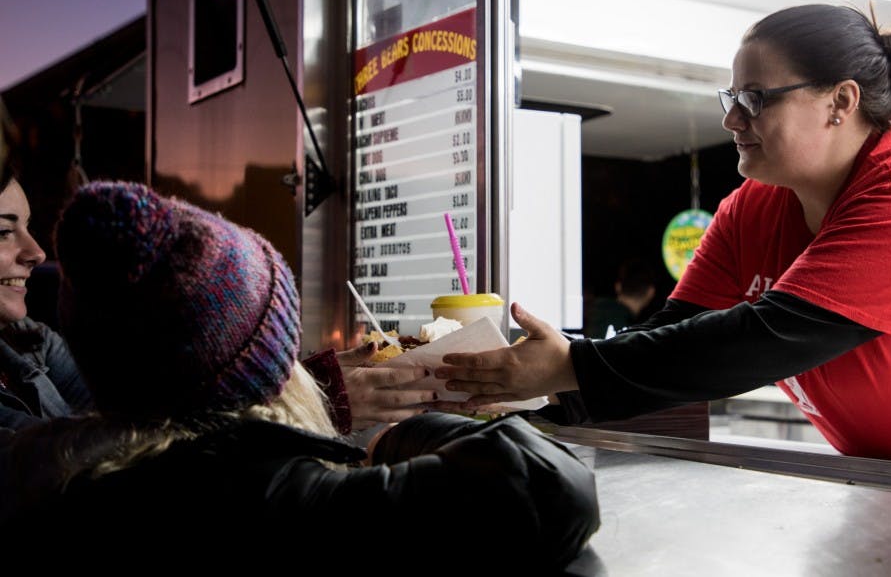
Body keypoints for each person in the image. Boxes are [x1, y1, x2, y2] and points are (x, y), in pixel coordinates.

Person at [437, 3, 891, 470]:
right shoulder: (753, 207)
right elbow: (676, 337)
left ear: (841, 102)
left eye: (755, 100)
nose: (733, 121)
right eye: (732, 100)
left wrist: (574, 366)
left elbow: (774, 336)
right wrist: (520, 402)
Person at [0, 181, 600, 570]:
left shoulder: (64, 472)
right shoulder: (258, 498)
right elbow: (547, 486)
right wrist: (400, 434)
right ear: (262, 369)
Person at [0, 172, 91, 430]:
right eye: (3, 231)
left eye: (27, 227)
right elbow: (37, 454)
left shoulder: (33, 340)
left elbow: (119, 410)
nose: (37, 253)